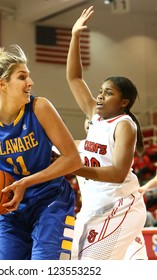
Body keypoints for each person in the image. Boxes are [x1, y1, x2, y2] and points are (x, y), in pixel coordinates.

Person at [0, 44, 82, 260]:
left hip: (49, 200)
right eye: (22, 77)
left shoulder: (40, 108)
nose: (30, 82)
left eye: (28, 77)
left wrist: (25, 183)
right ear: (3, 84)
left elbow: (73, 159)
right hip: (7, 203)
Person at [66, 6, 147, 260]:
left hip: (119, 206)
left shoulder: (124, 125)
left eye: (108, 92)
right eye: (100, 90)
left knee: (89, 268)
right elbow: (75, 78)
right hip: (94, 207)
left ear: (124, 102)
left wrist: (74, 168)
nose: (100, 95)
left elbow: (117, 173)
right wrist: (74, 36)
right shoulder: (94, 115)